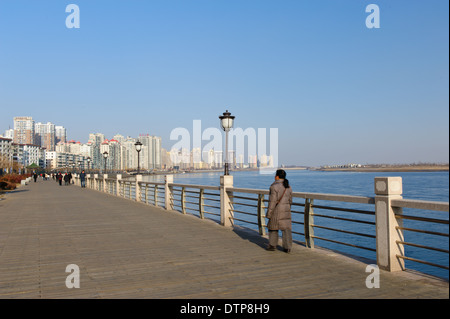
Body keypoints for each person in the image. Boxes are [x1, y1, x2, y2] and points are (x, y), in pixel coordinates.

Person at [266, 169, 293, 253]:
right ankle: (287, 247)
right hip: (286, 210)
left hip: (276, 211)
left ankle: (272, 245)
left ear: (277, 176)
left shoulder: (274, 187)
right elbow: (290, 200)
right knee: (286, 229)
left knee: (273, 228)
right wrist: (287, 208)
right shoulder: (288, 186)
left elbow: (272, 202)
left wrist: (269, 214)